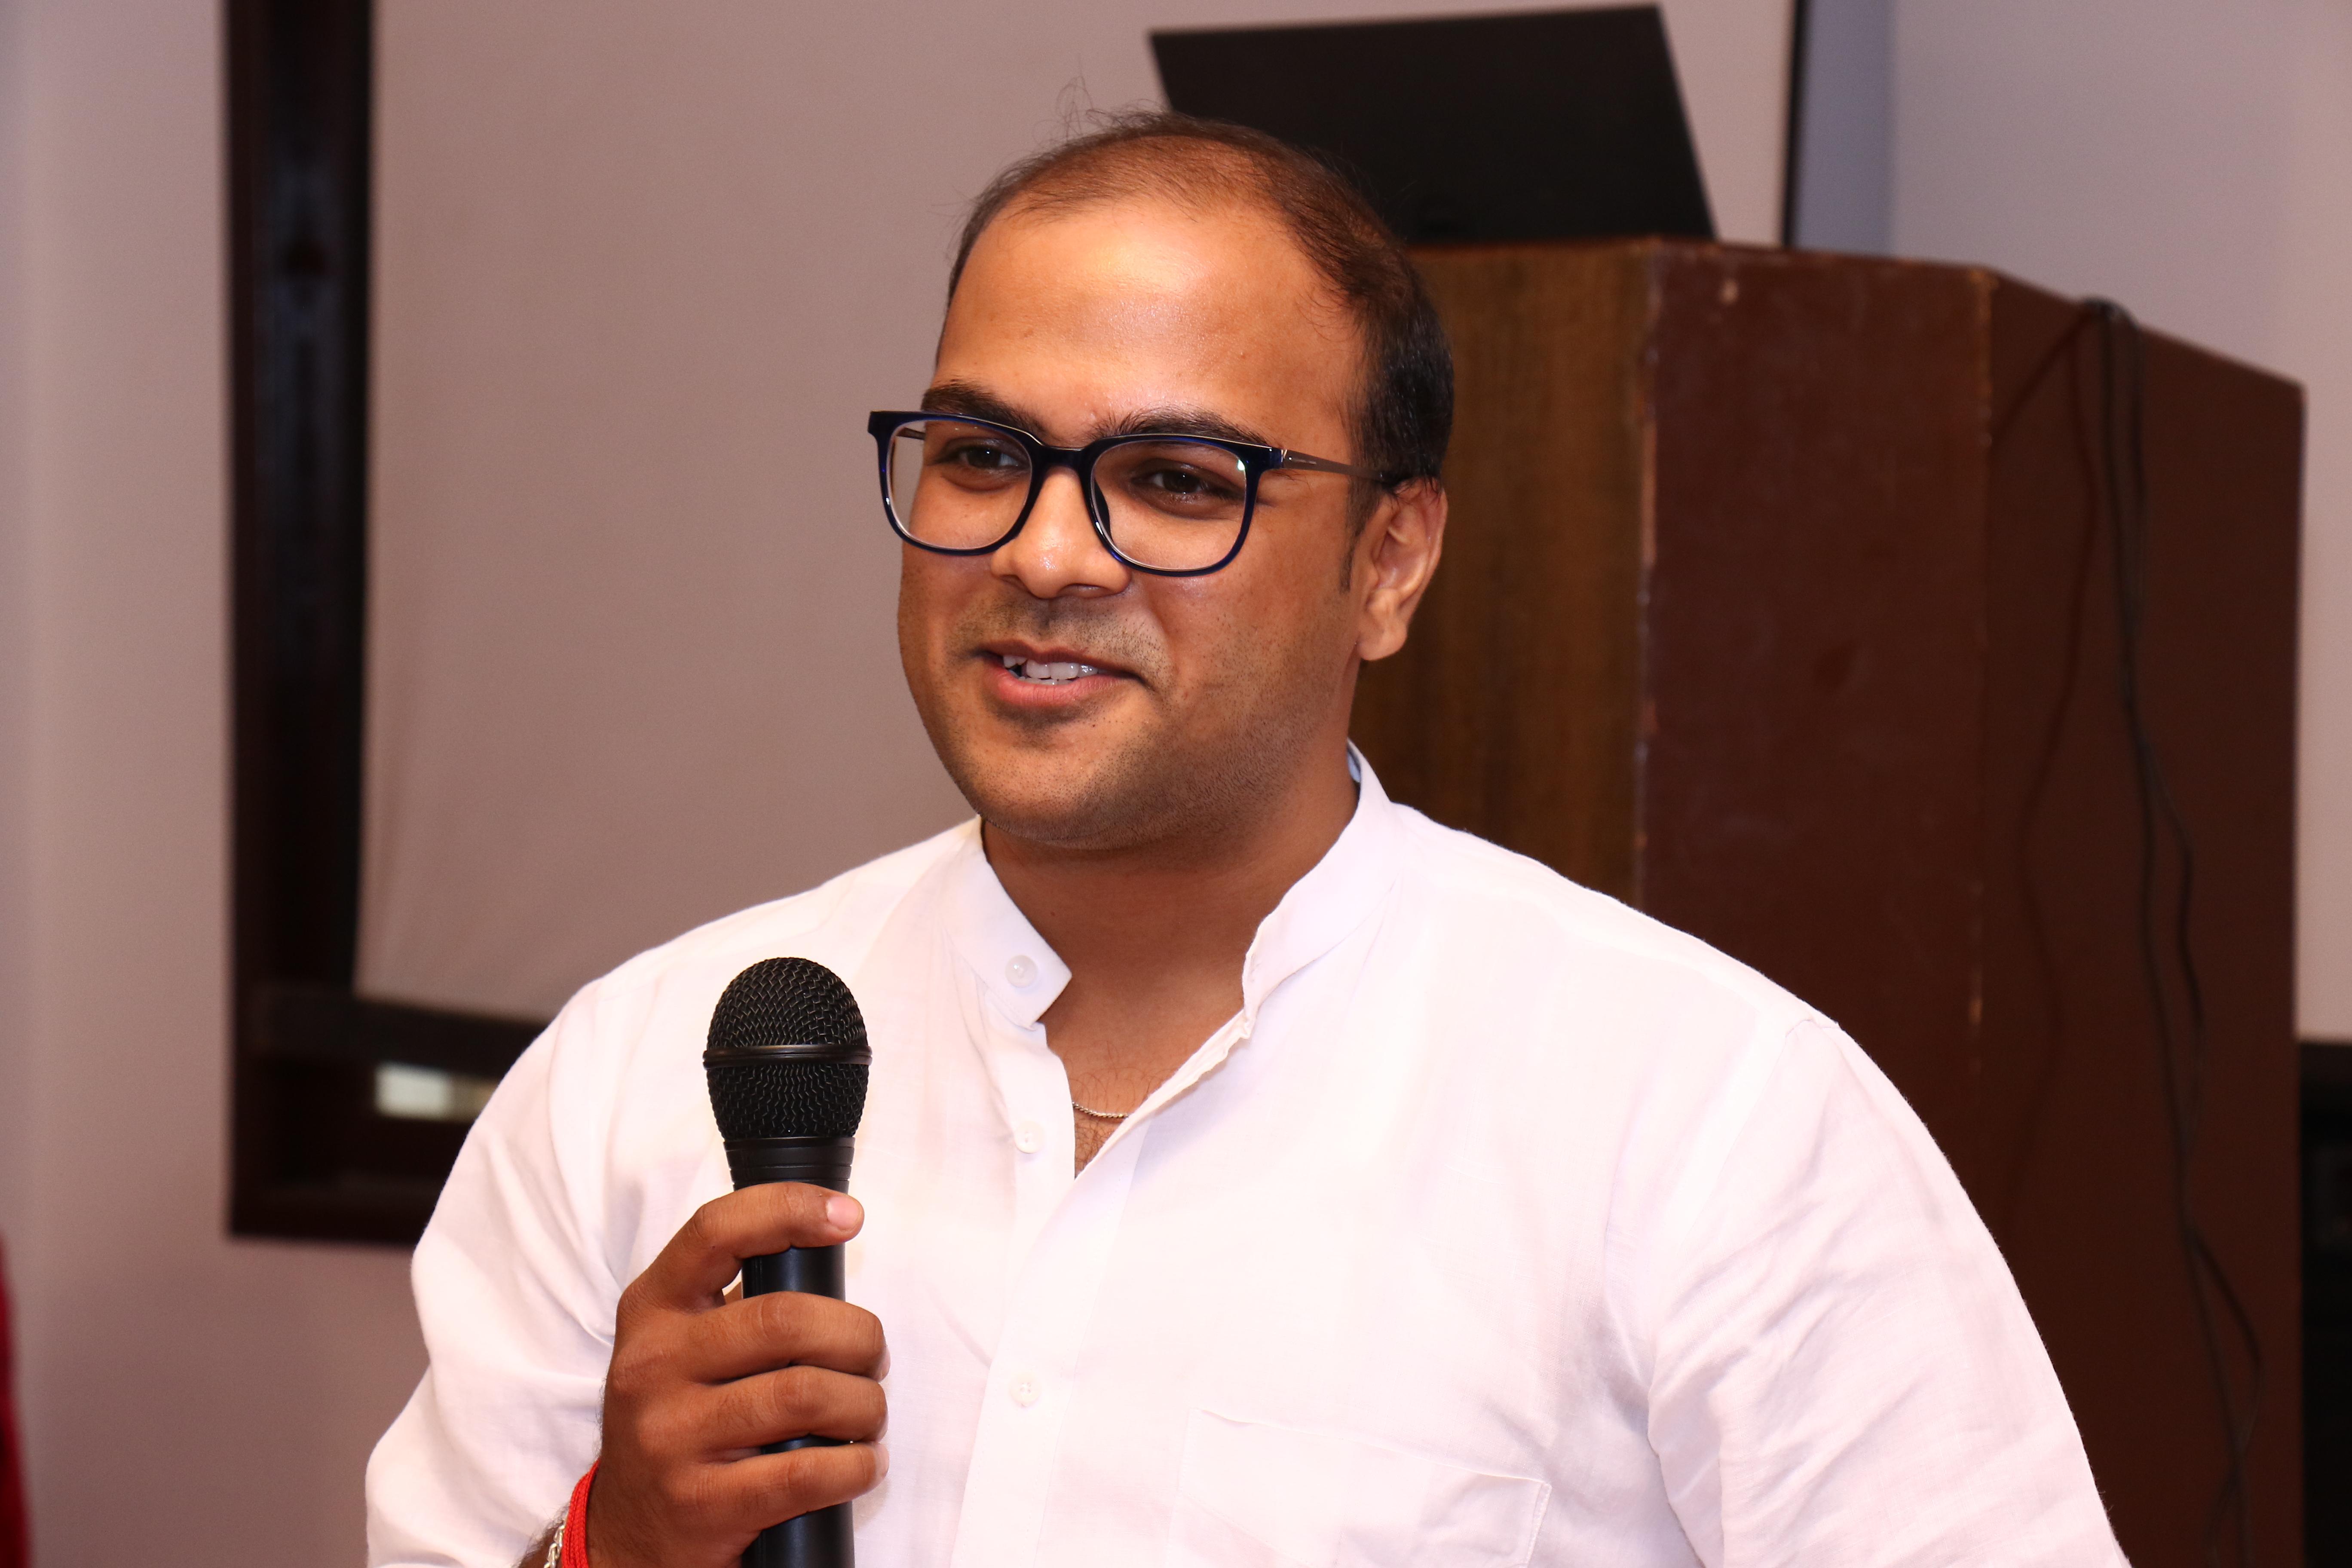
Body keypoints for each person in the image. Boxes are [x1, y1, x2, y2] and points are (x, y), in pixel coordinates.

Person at [366, 112, 2125, 1568]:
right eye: (982, 454)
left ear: (1391, 563)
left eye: (1178, 482)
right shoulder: (637, 1075)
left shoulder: (1703, 1120)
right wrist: (614, 1551)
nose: (1046, 553)